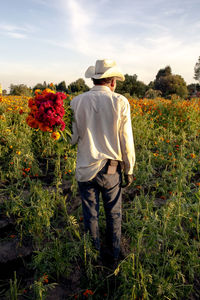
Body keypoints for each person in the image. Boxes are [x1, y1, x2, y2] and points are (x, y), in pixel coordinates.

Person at [70, 59, 135, 266]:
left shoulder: (76, 102)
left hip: (85, 169)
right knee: (114, 214)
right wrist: (129, 168)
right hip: (111, 170)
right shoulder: (120, 102)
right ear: (113, 81)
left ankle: (93, 257)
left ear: (94, 79)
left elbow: (71, 138)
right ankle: (114, 256)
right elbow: (126, 139)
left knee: (91, 215)